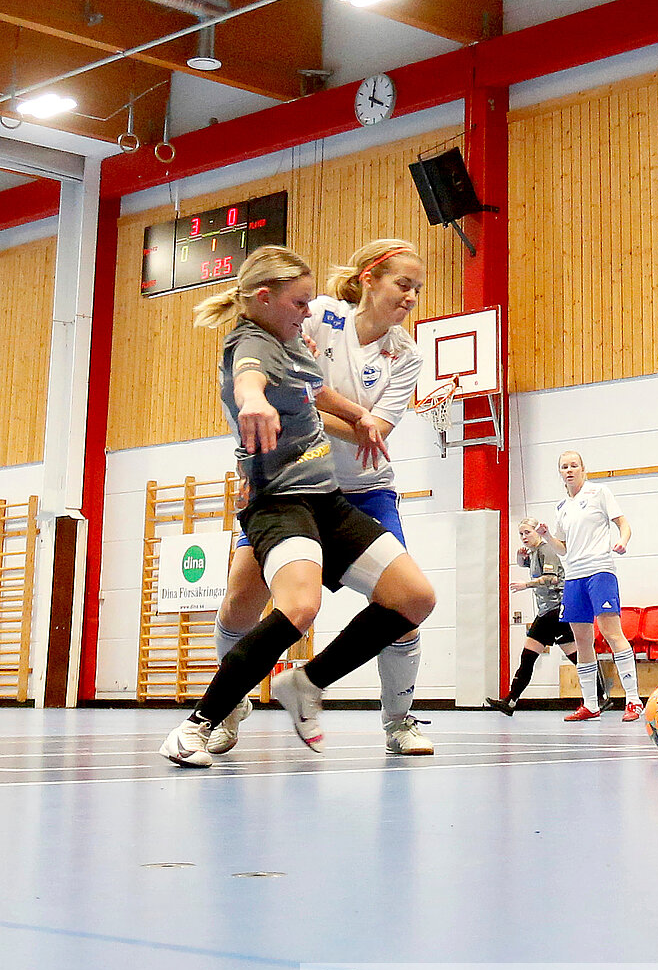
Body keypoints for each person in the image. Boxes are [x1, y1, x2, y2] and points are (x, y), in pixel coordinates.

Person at [161, 246, 437, 767]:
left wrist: (361, 417)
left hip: (332, 498)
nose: (308, 310)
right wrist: (254, 401)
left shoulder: (299, 337)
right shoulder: (255, 342)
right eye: (300, 301)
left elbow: (316, 391)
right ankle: (203, 721)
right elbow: (247, 376)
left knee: (415, 598)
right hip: (281, 500)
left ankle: (306, 685)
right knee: (290, 606)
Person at [538, 451, 641, 722]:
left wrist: (623, 540)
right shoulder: (561, 507)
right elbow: (562, 548)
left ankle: (633, 700)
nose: (569, 470)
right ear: (560, 472)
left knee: (611, 632)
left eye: (574, 465)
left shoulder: (599, 493)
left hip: (600, 571)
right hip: (574, 577)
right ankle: (591, 704)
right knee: (582, 640)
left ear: (583, 468)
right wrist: (547, 536)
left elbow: (623, 523)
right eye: (564, 466)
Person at [487, 517, 592, 714]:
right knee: (575, 657)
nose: (524, 537)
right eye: (521, 534)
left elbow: (551, 578)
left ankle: (511, 700)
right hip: (547, 611)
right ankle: (599, 696)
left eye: (528, 532)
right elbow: (528, 566)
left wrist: (526, 585)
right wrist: (520, 559)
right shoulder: (535, 553)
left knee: (529, 656)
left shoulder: (547, 550)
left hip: (556, 610)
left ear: (537, 532)